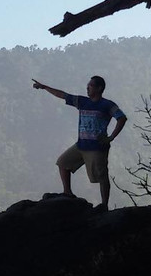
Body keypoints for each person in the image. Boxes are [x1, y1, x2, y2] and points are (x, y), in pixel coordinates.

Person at [32, 75, 127, 209]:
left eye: (91, 86)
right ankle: (67, 192)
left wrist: (111, 137)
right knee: (63, 163)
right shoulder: (82, 101)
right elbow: (63, 95)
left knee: (101, 176)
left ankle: (104, 205)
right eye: (87, 85)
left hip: (97, 148)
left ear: (99, 88)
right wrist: (44, 87)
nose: (87, 88)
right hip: (81, 145)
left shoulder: (107, 105)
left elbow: (122, 118)